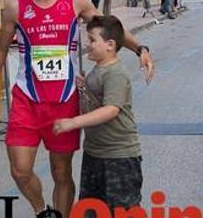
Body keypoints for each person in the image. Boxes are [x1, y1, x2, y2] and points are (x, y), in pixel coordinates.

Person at [0, 0, 154, 218]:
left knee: (61, 171)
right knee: (20, 169)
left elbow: (109, 26)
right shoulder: (15, 7)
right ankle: (41, 211)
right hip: (27, 100)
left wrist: (140, 48)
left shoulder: (75, 2)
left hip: (65, 100)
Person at [52, 16, 142, 215]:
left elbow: (111, 109)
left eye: (92, 40)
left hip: (118, 157)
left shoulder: (115, 73)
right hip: (95, 154)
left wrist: (73, 122)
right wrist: (84, 87)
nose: (88, 44)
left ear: (110, 45)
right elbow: (96, 101)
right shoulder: (99, 69)